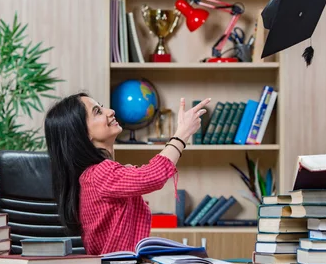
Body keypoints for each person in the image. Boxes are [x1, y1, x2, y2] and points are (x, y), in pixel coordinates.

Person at [44, 92, 210, 255]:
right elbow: (154, 175)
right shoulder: (99, 174)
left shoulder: (98, 174)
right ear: (81, 134)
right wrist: (182, 134)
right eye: (98, 112)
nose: (110, 111)